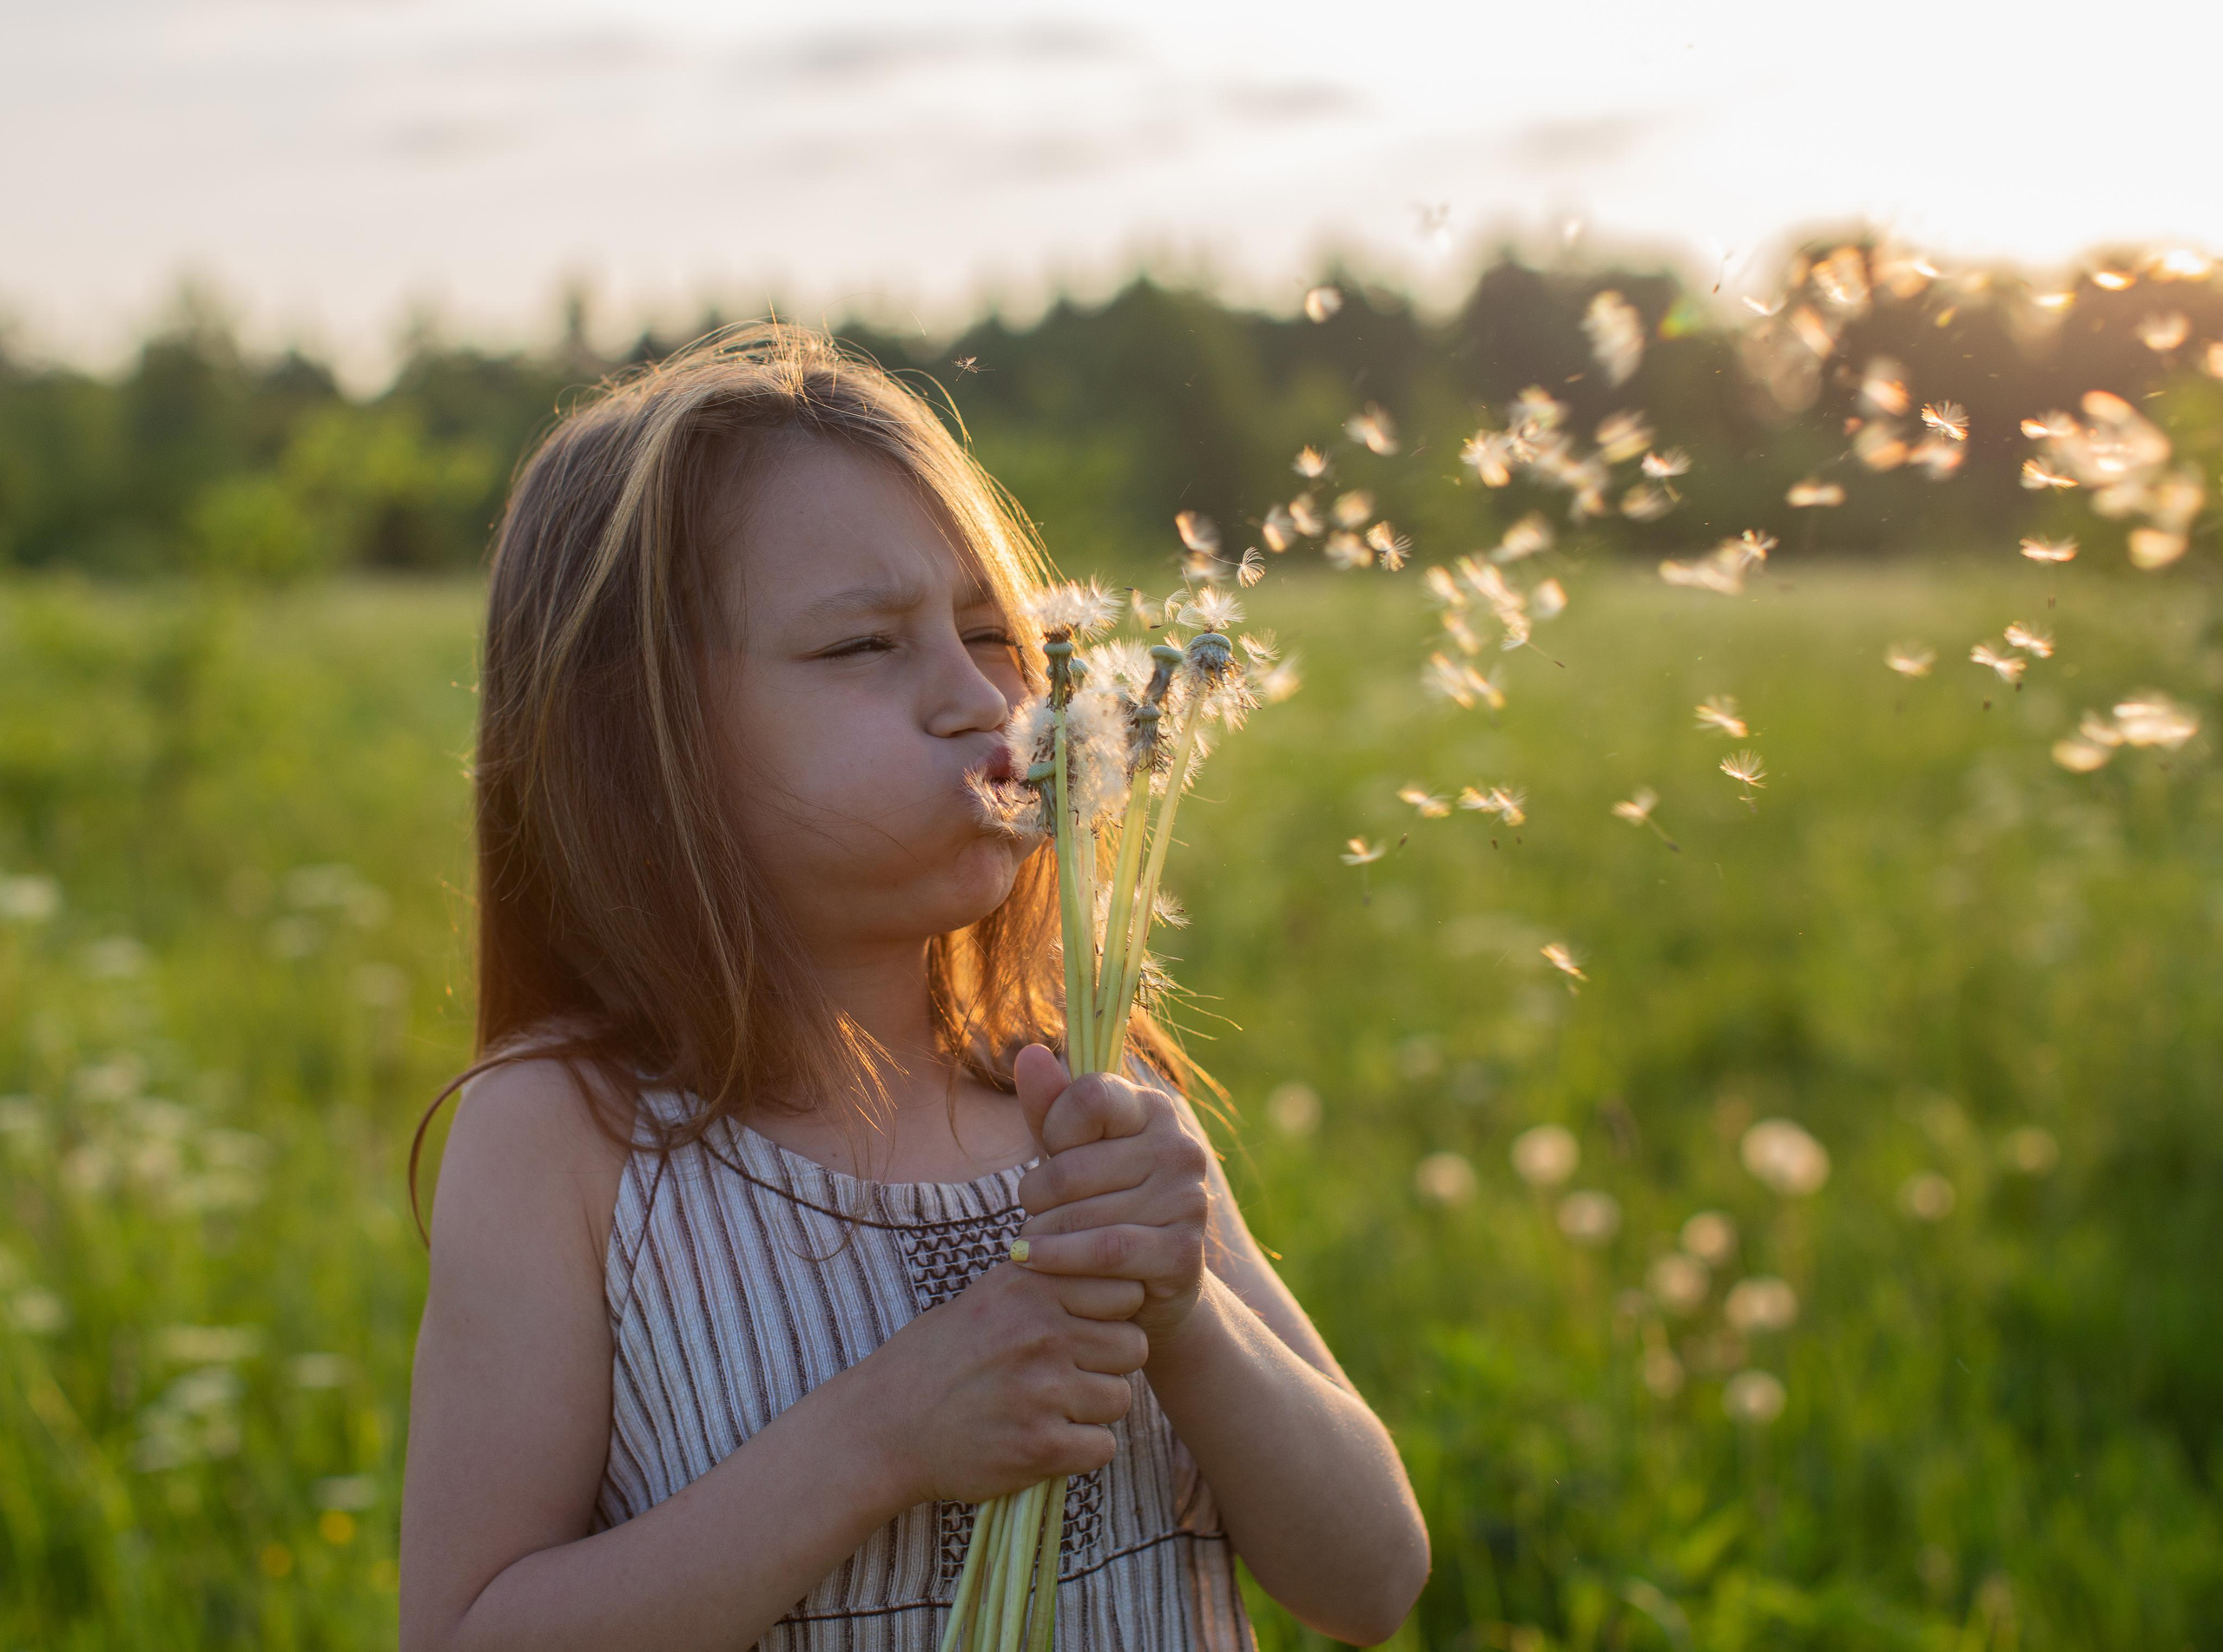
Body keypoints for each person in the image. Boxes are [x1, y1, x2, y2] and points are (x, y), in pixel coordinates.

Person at [397, 322, 1428, 1652]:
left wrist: (1183, 1307)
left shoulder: (1087, 1090)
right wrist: (879, 1438)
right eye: (862, 648)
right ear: (636, 740)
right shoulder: (571, 1140)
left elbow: (1372, 1581)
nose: (976, 697)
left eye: (994, 631)